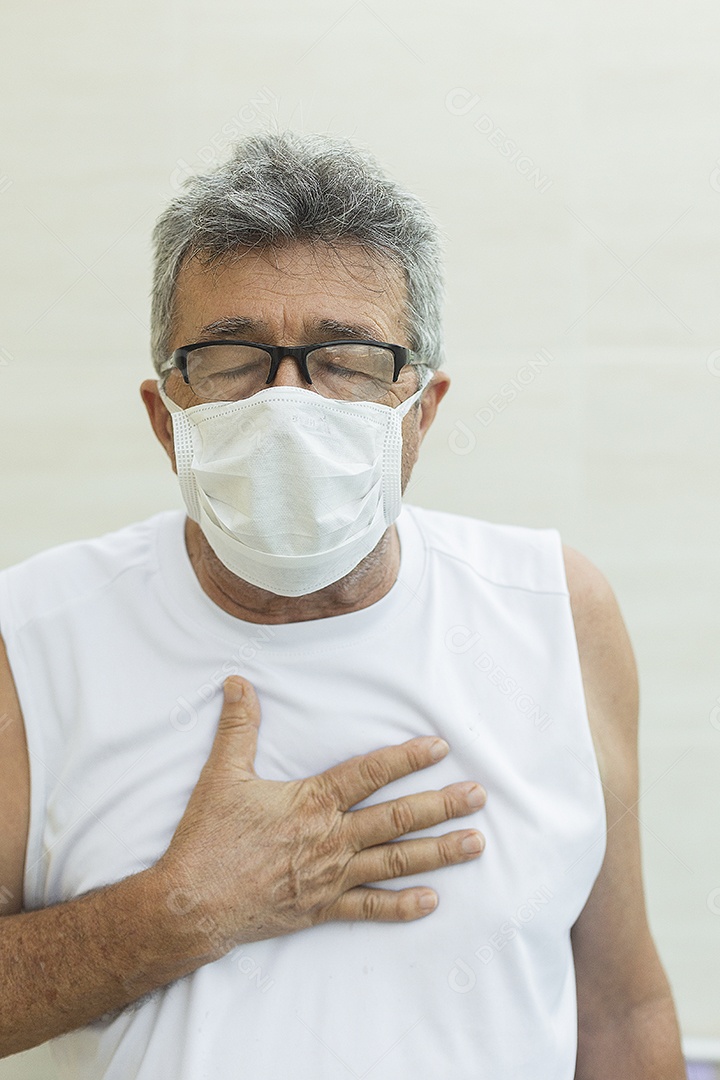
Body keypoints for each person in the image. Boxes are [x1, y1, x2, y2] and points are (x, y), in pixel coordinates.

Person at [0, 132, 685, 1079]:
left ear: (422, 408)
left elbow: (621, 1005)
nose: (290, 402)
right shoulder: (31, 641)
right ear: (168, 417)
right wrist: (179, 911)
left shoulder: (555, 614)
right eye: (234, 355)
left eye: (346, 358)